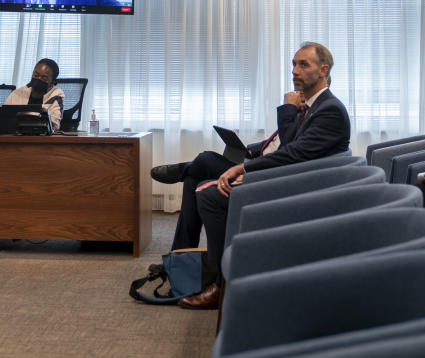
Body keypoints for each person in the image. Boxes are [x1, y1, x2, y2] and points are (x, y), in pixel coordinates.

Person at [150, 42, 351, 309]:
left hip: (294, 189)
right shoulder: (314, 106)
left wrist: (286, 113)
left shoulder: (329, 110)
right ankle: (179, 259)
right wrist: (249, 153)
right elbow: (285, 144)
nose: (295, 71)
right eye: (293, 64)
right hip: (282, 175)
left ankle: (222, 285)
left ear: (323, 70)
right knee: (196, 176)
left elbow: (293, 152)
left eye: (304, 65)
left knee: (207, 187)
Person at [5, 58, 65, 132]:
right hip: (17, 137)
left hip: (43, 139)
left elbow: (54, 124)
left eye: (44, 77)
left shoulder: (56, 94)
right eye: (36, 75)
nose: (38, 79)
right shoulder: (17, 93)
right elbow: (4, 117)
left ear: (52, 82)